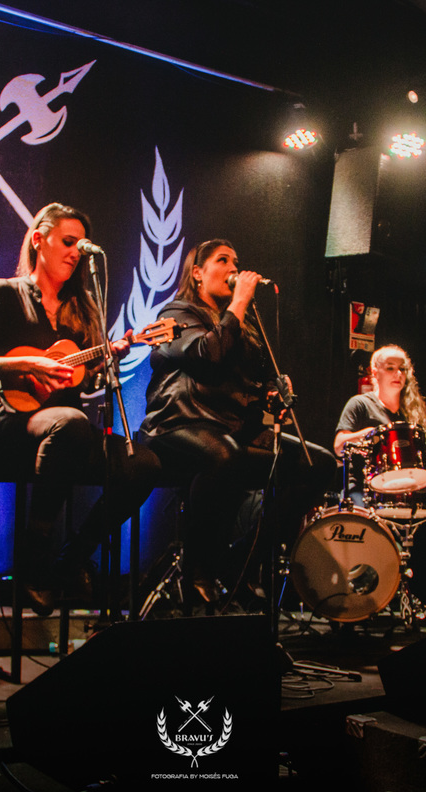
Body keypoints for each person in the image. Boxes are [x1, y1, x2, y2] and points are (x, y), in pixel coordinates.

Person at [0, 203, 160, 615]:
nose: (75, 253)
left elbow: (89, 384)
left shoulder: (84, 308)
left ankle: (70, 559)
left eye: (80, 248)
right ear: (38, 240)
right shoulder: (4, 293)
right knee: (70, 423)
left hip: (66, 432)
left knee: (144, 464)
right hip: (6, 422)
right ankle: (34, 559)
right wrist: (25, 364)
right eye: (68, 242)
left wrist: (107, 359)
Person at [139, 239, 336, 606]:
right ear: (197, 273)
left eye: (236, 261)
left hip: (230, 430)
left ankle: (241, 561)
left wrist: (272, 392)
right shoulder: (179, 312)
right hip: (180, 424)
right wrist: (239, 302)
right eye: (222, 260)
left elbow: (249, 383)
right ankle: (198, 565)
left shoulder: (243, 326)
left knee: (319, 464)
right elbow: (207, 356)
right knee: (224, 454)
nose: (233, 268)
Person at [334, 344, 426, 508]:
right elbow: (338, 446)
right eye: (390, 368)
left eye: (402, 369)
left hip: (405, 489)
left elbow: (416, 457)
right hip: (364, 488)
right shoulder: (360, 404)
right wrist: (369, 434)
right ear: (375, 372)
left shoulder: (410, 412)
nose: (398, 374)